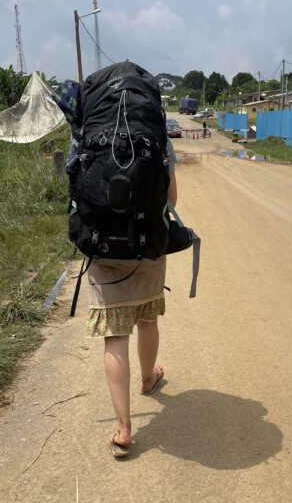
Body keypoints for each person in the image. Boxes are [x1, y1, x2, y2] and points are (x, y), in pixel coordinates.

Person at [86, 138, 177, 457]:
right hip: (148, 245)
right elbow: (171, 198)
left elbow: (78, 192)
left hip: (103, 249)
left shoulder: (89, 133)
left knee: (115, 336)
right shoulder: (156, 136)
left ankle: (124, 429)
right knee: (147, 318)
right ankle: (148, 379)